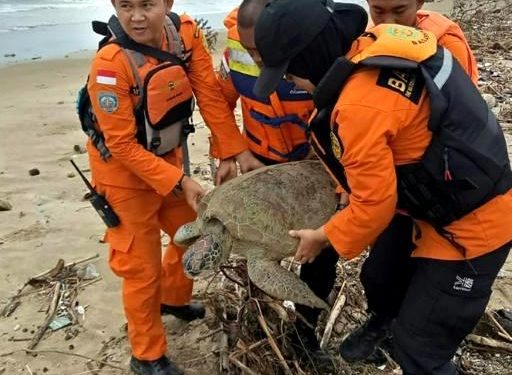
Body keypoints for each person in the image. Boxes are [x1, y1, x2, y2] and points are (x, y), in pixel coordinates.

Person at [252, 0, 512, 374]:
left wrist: (323, 236)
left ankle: (411, 341)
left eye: (289, 74)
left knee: (419, 350)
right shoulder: (380, 42)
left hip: (472, 228)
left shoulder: (357, 108)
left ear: (309, 58)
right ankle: (383, 323)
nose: (290, 84)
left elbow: (374, 205)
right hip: (428, 202)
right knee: (379, 276)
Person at [84, 0, 261, 374]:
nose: (136, 16)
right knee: (141, 268)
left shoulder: (184, 35)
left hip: (167, 163)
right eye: (126, 5)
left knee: (192, 236)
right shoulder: (109, 66)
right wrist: (180, 180)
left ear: (167, 3)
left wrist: (234, 150)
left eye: (147, 4)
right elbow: (121, 146)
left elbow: (208, 94)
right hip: (123, 179)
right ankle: (146, 355)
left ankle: (173, 298)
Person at [213, 0, 364, 369]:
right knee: (251, 247)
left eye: (265, 54)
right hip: (261, 167)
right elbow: (218, 100)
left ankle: (304, 331)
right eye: (253, 52)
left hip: (318, 170)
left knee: (320, 254)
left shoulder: (316, 40)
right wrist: (231, 152)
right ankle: (261, 312)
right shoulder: (234, 40)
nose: (260, 61)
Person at [367, 0, 478, 84]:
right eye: (378, 11)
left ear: (419, 2)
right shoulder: (369, 36)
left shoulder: (447, 45)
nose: (389, 23)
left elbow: (462, 103)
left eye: (399, 11)